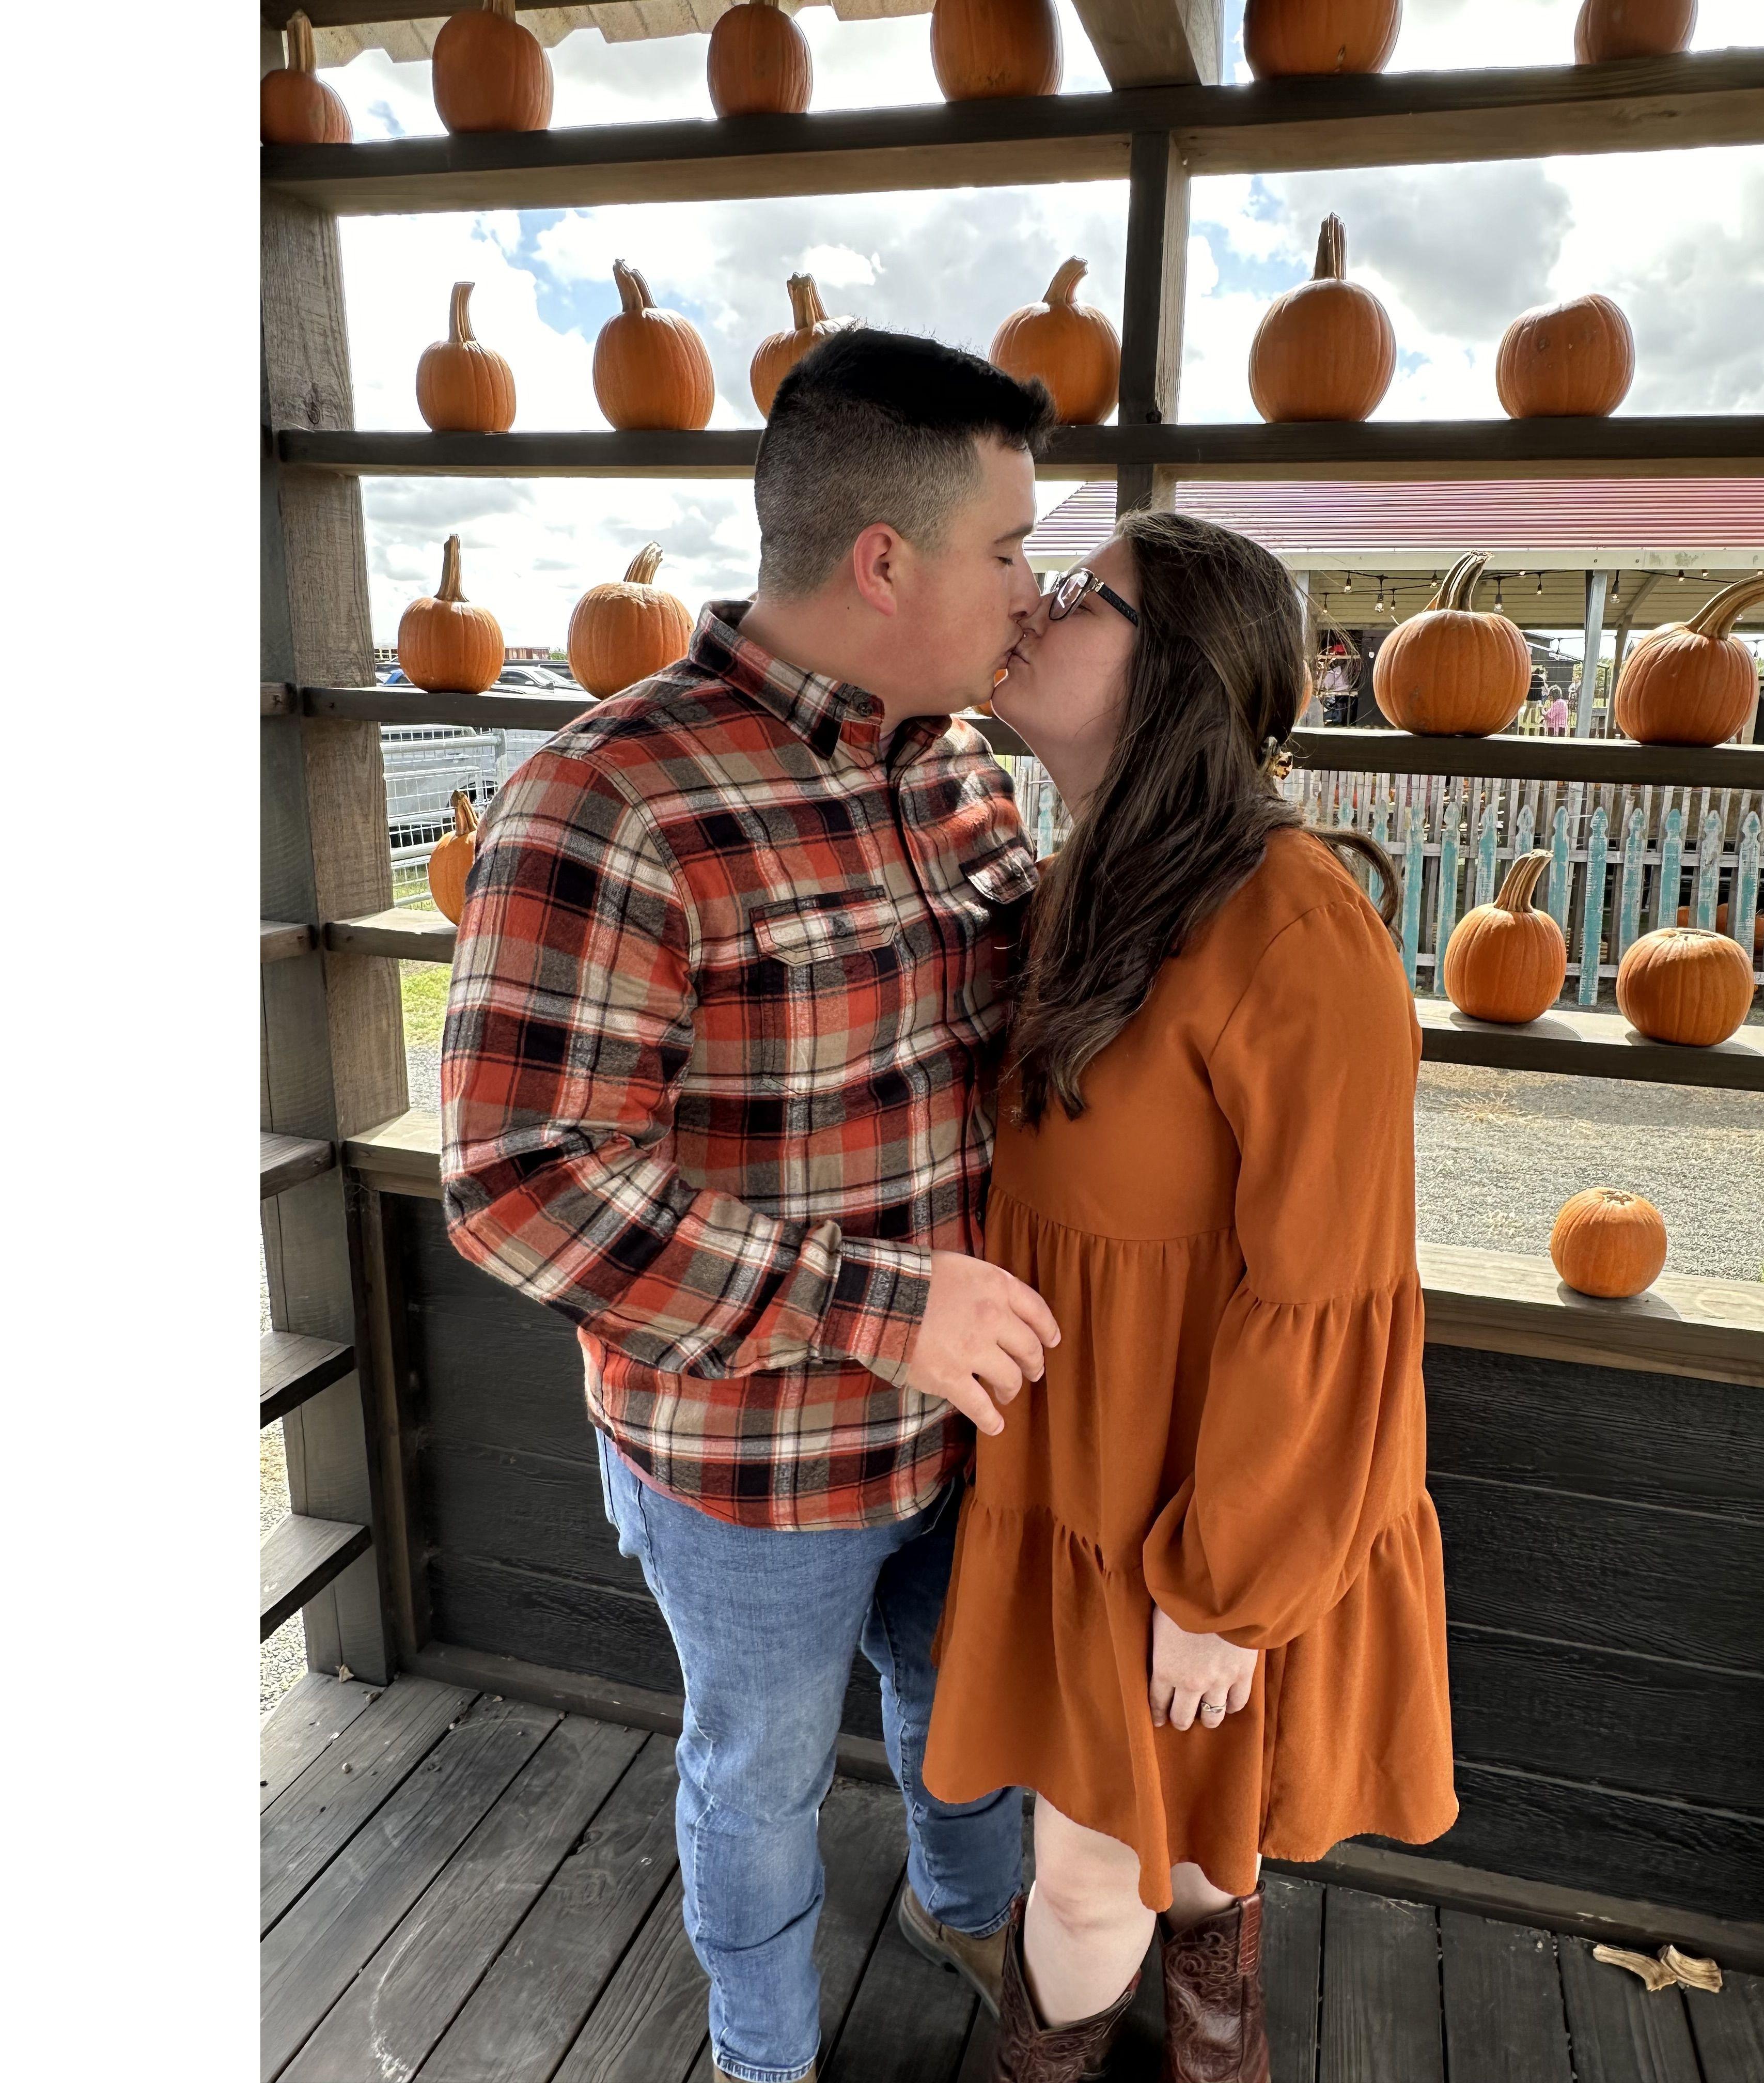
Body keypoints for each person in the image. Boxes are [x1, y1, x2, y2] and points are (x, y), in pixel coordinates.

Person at [439, 330, 1065, 2083]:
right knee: (759, 1778)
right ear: (887, 562)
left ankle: (971, 1915)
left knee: (966, 1709)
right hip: (749, 1464)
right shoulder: (610, 797)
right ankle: (764, 2052)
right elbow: (520, 1186)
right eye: (1011, 550)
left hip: (978, 1417)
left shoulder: (960, 768)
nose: (1033, 591)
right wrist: (882, 1306)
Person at [922, 512, 1458, 2078]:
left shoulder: (1296, 928)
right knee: (1189, 1849)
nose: (1036, 606)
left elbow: (1334, 1295)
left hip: (1200, 1507)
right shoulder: (1086, 881)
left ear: (1179, 673)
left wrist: (1225, 1589)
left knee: (1097, 1874)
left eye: (1083, 595)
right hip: (1079, 1471)